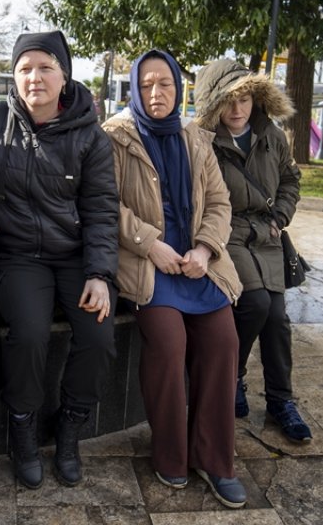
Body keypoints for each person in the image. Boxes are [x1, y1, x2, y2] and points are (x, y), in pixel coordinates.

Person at [0, 30, 119, 489]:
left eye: (45, 67)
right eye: (25, 68)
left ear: (64, 75)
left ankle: (70, 427)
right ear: (13, 76)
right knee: (28, 334)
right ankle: (23, 427)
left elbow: (101, 210)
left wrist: (99, 274)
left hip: (73, 257)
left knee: (98, 334)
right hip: (16, 257)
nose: (35, 77)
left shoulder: (90, 136)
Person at [103, 49, 247, 509]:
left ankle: (214, 458)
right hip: (150, 266)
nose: (156, 93)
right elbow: (106, 206)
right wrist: (151, 245)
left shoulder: (196, 139)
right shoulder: (114, 137)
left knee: (223, 342)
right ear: (134, 90)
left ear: (178, 87)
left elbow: (220, 204)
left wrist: (204, 249)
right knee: (168, 342)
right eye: (145, 85)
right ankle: (170, 453)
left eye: (164, 83)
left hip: (197, 264)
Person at [192, 59, 312, 443]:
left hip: (267, 232)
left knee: (277, 319)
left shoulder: (271, 135)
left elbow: (292, 179)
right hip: (228, 232)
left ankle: (281, 400)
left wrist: (281, 215)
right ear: (214, 104)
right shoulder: (203, 140)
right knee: (256, 303)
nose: (238, 109)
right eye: (228, 101)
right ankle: (233, 376)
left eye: (244, 98)